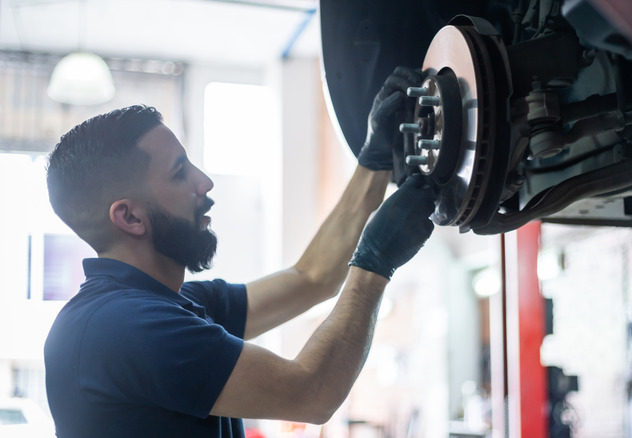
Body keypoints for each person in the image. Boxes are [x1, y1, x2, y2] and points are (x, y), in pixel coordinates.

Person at [43, 67, 434, 438]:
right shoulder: (124, 327)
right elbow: (311, 393)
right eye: (180, 173)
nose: (205, 182)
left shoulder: (170, 306)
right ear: (129, 216)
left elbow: (312, 278)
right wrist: (374, 264)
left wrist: (373, 162)